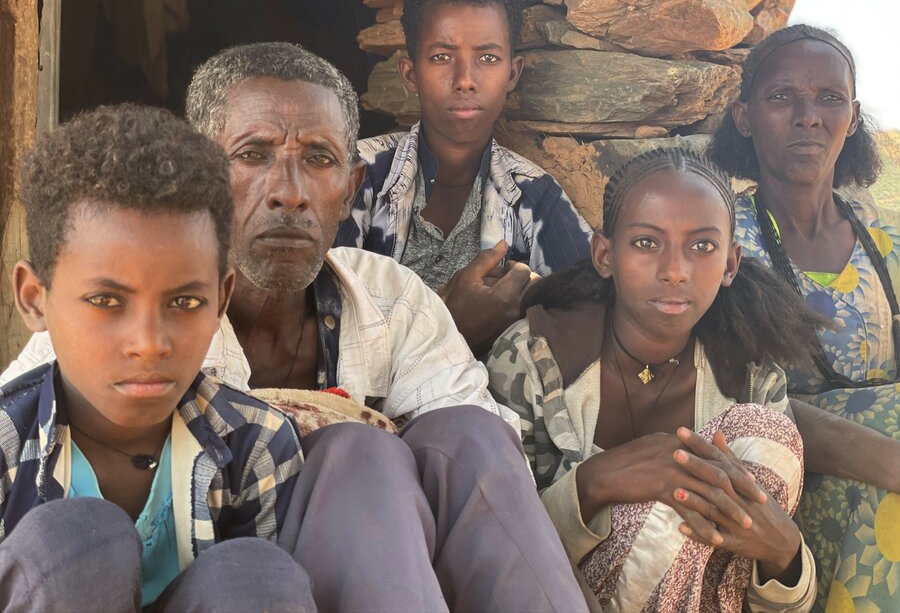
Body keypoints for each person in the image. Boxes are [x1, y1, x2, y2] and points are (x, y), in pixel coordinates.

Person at [2, 43, 588, 612]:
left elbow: (481, 472)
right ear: (200, 176)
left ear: (351, 189)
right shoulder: (81, 342)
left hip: (321, 574)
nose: (288, 193)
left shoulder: (393, 302)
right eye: (253, 154)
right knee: (81, 540)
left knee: (460, 439)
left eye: (319, 159)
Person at [0, 105, 310, 612]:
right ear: (35, 297)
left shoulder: (257, 447)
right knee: (78, 544)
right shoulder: (6, 445)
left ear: (221, 299)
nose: (149, 343)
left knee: (257, 577)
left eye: (185, 302)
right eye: (106, 301)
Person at [487, 148, 822, 612]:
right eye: (647, 242)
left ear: (730, 264)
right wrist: (594, 485)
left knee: (766, 436)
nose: (675, 271)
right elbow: (490, 549)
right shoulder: (533, 360)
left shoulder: (752, 381)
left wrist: (784, 554)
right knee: (660, 514)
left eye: (703, 246)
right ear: (605, 254)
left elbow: (774, 593)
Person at [709, 24, 900, 612]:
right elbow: (735, 402)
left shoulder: (886, 244)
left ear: (853, 115)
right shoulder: (718, 245)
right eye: (782, 96)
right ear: (744, 117)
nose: (808, 116)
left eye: (829, 98)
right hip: (790, 481)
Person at [336, 0, 592, 354]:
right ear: (409, 73)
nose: (465, 79)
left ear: (513, 73)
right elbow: (308, 319)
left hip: (496, 411)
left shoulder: (534, 197)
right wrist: (448, 321)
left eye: (488, 58)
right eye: (441, 56)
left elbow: (597, 323)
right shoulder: (359, 175)